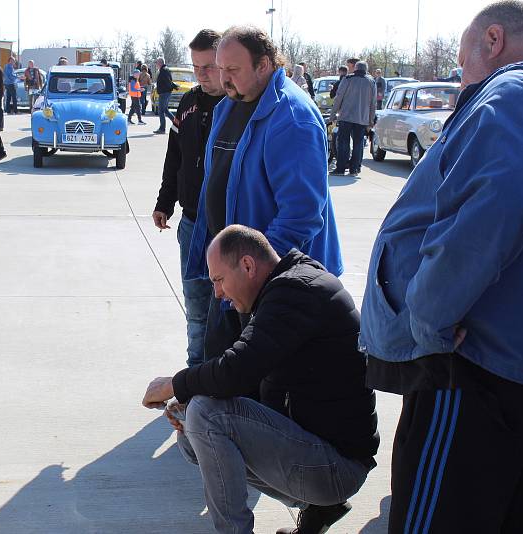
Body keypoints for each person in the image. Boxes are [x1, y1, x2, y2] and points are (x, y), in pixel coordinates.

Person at [358, 2, 523, 532]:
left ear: (492, 40)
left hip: (475, 374)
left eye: (463, 63)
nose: (463, 79)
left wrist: (428, 317)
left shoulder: (518, 90)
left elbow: (507, 198)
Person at [142, 225, 379, 534]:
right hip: (320, 453)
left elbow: (235, 370)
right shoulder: (282, 291)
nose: (218, 293)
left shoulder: (295, 293)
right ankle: (319, 508)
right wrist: (186, 403)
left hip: (337, 467)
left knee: (205, 414)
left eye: (219, 280)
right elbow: (246, 383)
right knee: (192, 428)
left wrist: (175, 383)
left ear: (248, 266)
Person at [187, 25, 343, 361]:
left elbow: (301, 217)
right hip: (235, 279)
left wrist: (254, 278)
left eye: (233, 70)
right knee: (216, 379)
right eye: (220, 69)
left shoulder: (292, 118)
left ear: (264, 65)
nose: (224, 79)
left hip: (270, 286)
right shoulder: (229, 106)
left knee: (248, 395)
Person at [153, 29, 225, 368]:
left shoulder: (239, 106)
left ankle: (225, 383)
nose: (203, 74)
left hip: (228, 230)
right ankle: (195, 381)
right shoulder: (189, 102)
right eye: (197, 67)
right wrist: (165, 202)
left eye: (209, 66)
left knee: (228, 314)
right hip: (191, 223)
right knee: (196, 311)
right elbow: (175, 157)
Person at [329, 60, 375, 176]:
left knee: (343, 142)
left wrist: (333, 114)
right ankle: (355, 169)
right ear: (366, 70)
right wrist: (371, 120)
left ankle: (340, 168)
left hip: (346, 116)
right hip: (362, 118)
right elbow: (373, 103)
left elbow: (338, 97)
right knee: (358, 143)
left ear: (355, 69)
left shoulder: (347, 79)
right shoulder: (371, 82)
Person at [153, 57, 178, 133]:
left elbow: (168, 82)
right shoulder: (165, 69)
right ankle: (178, 124)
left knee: (161, 111)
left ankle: (162, 128)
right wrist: (174, 86)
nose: (156, 64)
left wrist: (172, 86)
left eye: (157, 63)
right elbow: (169, 81)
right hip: (165, 92)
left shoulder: (164, 70)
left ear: (160, 63)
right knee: (166, 110)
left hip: (164, 93)